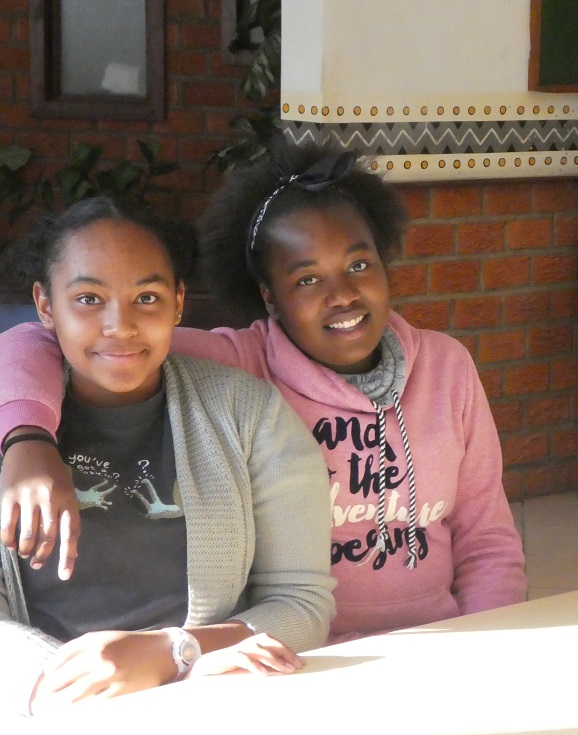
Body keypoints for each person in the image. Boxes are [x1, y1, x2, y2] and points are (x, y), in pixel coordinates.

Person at [0, 137, 526, 645]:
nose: (342, 295)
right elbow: (44, 342)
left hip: (435, 640)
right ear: (270, 297)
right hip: (300, 649)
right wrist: (27, 438)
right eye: (306, 279)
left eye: (358, 265)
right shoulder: (240, 364)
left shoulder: (446, 367)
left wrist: (490, 643)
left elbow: (486, 540)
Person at [0, 197, 335, 716]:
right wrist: (60, 687)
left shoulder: (247, 414)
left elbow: (302, 603)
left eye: (147, 297)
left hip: (216, 702)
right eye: (88, 298)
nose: (120, 325)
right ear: (45, 304)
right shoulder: (11, 423)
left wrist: (176, 652)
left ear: (178, 301)